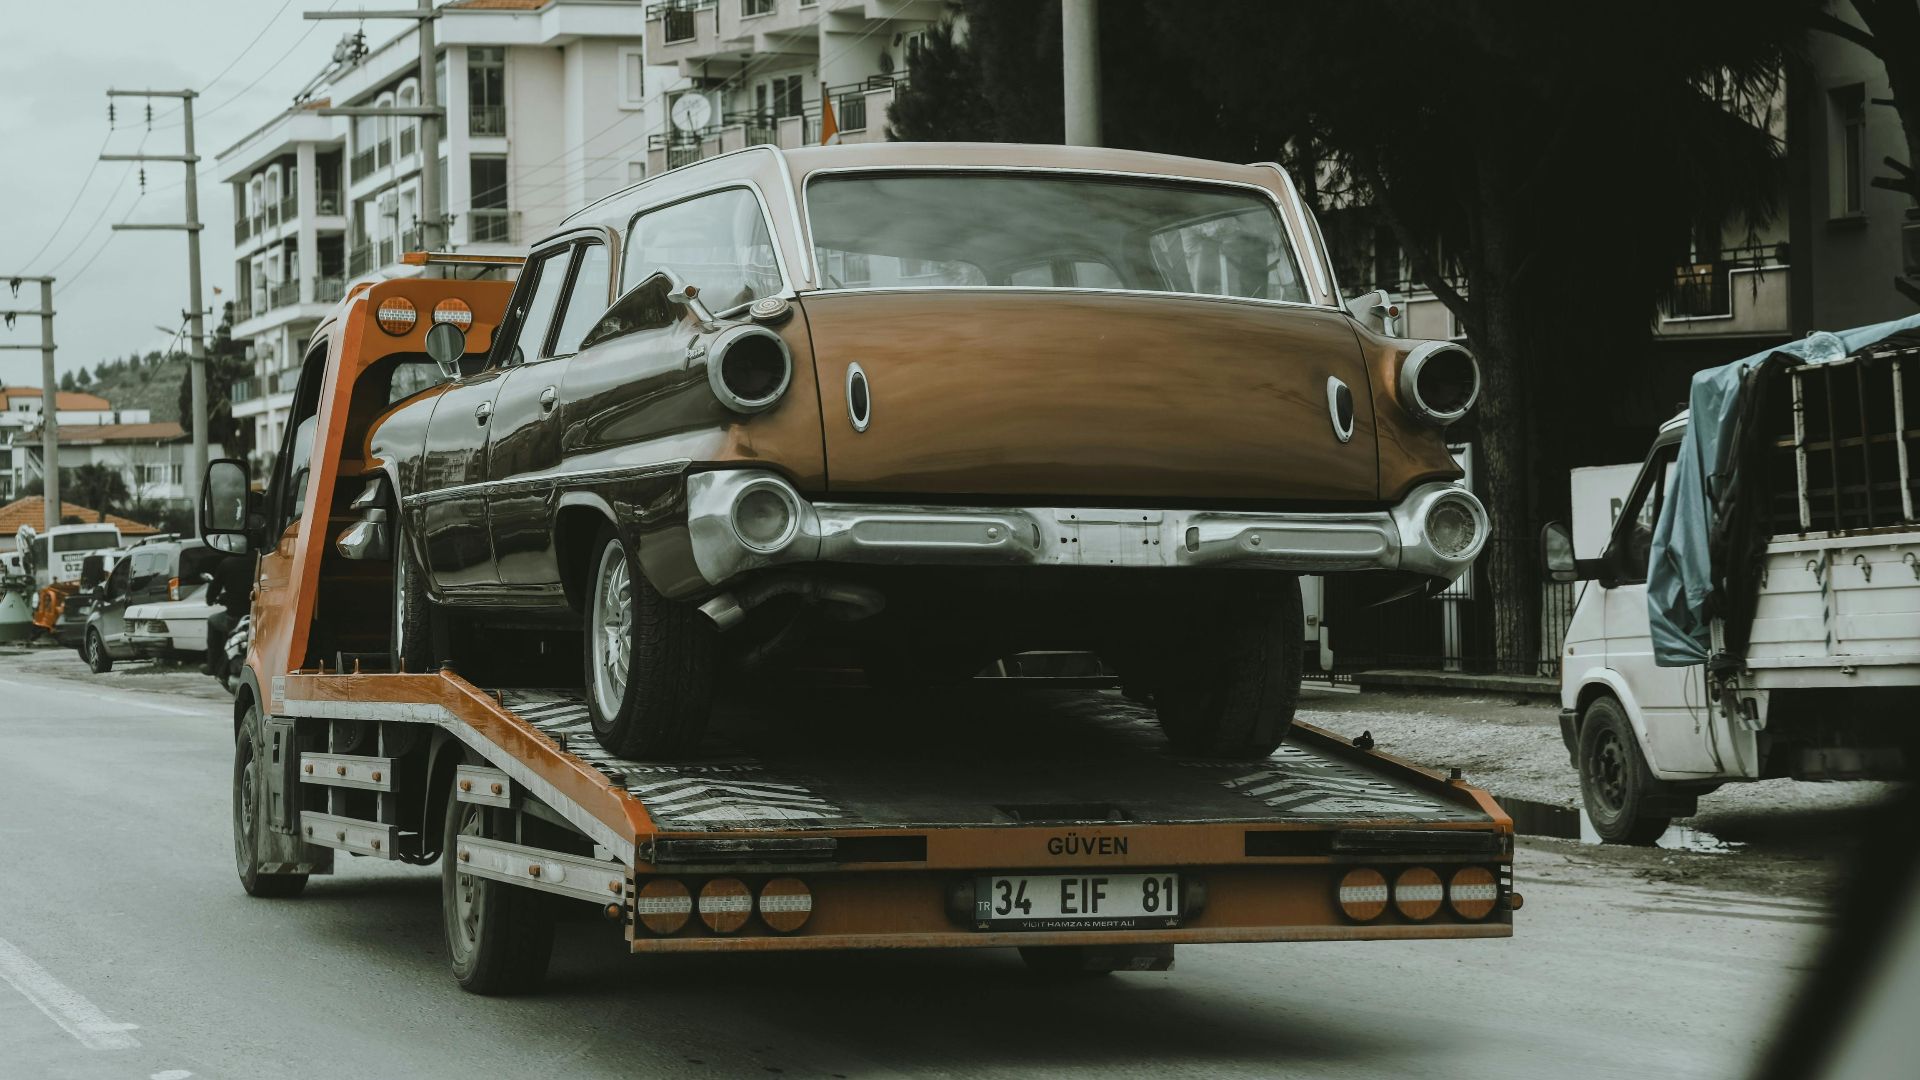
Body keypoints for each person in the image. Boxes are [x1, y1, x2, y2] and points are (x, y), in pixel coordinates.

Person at [203, 552, 253, 676]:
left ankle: (212, 666)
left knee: (212, 621)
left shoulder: (227, 563)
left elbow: (213, 590)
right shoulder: (262, 560)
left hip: (234, 616)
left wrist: (212, 599)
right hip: (258, 615)